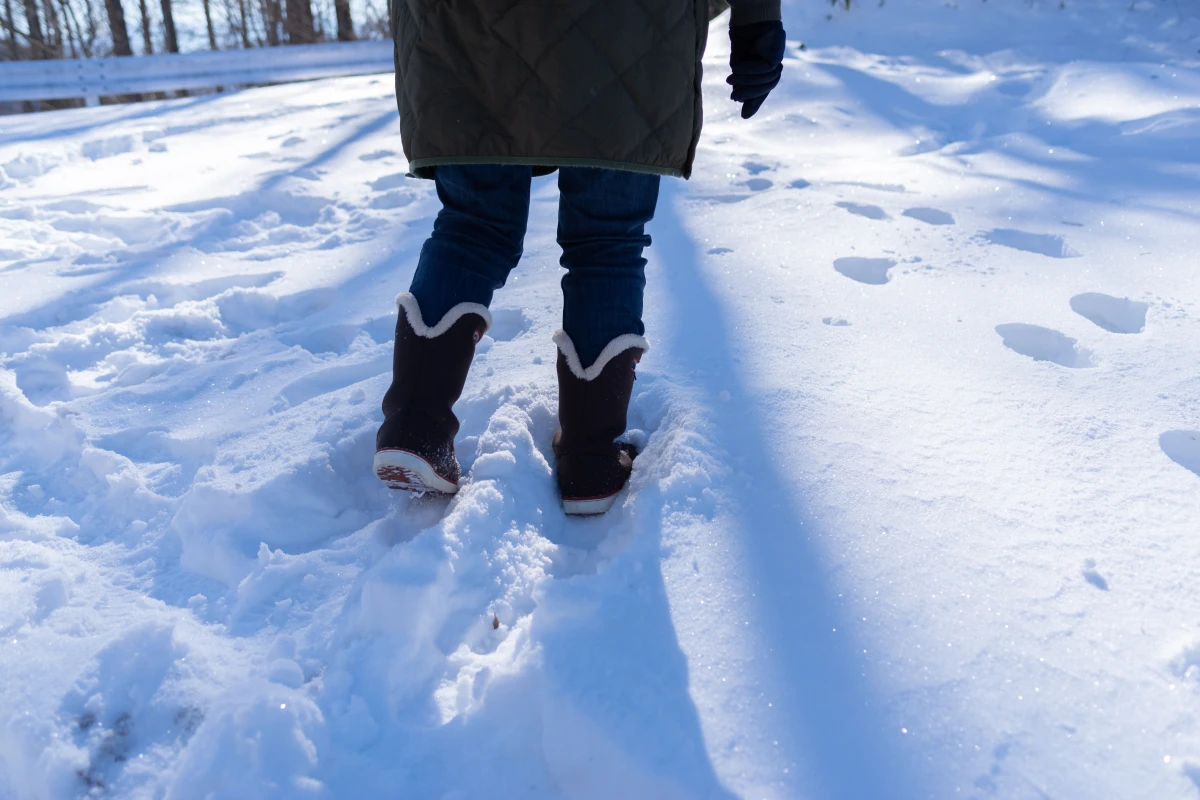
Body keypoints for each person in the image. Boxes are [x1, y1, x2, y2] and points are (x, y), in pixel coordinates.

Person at [375, 0, 786, 514]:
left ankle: (414, 427)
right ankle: (591, 460)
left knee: (472, 224)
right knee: (607, 241)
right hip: (629, 26)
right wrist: (758, 20)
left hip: (464, 26)